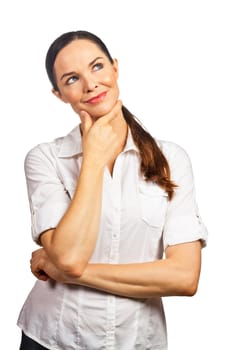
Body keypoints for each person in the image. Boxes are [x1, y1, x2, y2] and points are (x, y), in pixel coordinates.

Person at [17, 30, 208, 350]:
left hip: (136, 341)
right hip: (53, 339)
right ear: (59, 94)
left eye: (97, 67)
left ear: (115, 68)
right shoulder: (45, 159)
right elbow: (70, 258)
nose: (90, 84)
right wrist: (92, 161)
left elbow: (185, 277)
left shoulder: (172, 159)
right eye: (71, 78)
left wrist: (64, 272)